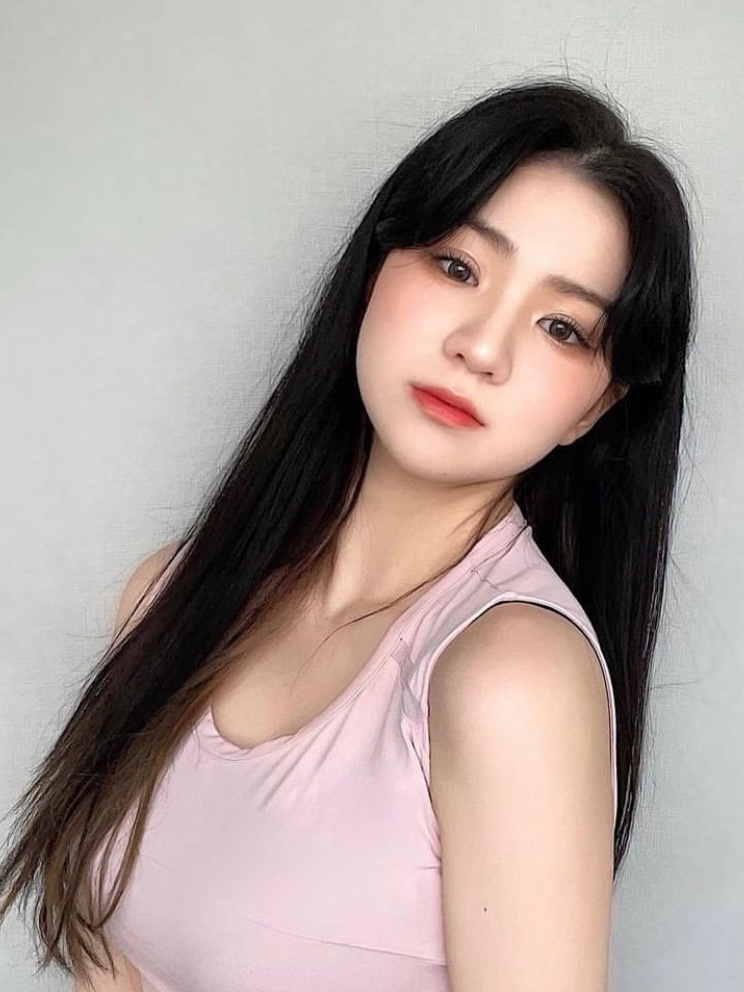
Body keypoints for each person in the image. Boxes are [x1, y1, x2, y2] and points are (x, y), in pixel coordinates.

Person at [0, 76, 695, 992]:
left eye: (562, 327)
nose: (482, 347)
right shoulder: (167, 598)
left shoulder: (512, 682)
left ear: (593, 409)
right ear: (376, 270)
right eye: (458, 268)